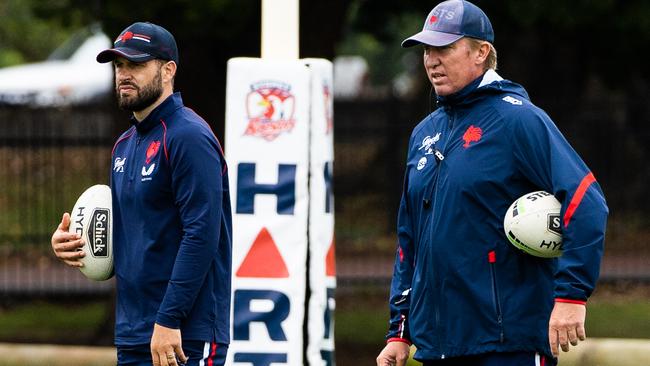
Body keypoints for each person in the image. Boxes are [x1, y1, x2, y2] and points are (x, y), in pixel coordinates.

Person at [375, 1, 608, 365]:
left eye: (445, 48)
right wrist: (399, 331)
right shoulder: (425, 133)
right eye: (427, 50)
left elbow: (585, 200)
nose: (432, 60)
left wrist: (571, 296)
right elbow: (410, 240)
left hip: (507, 342)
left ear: (481, 52)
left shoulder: (518, 119)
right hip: (439, 346)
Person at [50, 22, 231, 366]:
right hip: (135, 333)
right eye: (119, 65)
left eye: (136, 64)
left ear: (168, 70)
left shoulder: (188, 137)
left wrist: (169, 319)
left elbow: (202, 235)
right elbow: (131, 236)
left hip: (182, 334)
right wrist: (73, 242)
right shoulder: (123, 145)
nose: (124, 74)